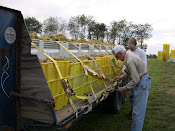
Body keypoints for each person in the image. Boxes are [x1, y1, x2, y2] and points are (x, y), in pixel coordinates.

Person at [112, 45, 151, 131]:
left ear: (121, 53)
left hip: (142, 83)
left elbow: (135, 80)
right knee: (136, 110)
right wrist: (121, 77)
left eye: (117, 56)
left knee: (138, 112)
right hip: (141, 81)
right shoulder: (129, 56)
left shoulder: (130, 60)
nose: (117, 59)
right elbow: (130, 72)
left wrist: (124, 88)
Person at [127, 37, 147, 120]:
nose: (131, 49)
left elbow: (144, 65)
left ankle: (136, 113)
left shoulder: (141, 52)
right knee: (131, 95)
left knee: (137, 96)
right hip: (131, 76)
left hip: (139, 77)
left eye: (132, 47)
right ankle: (132, 111)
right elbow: (126, 65)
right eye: (129, 47)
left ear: (136, 45)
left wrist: (138, 76)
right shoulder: (128, 52)